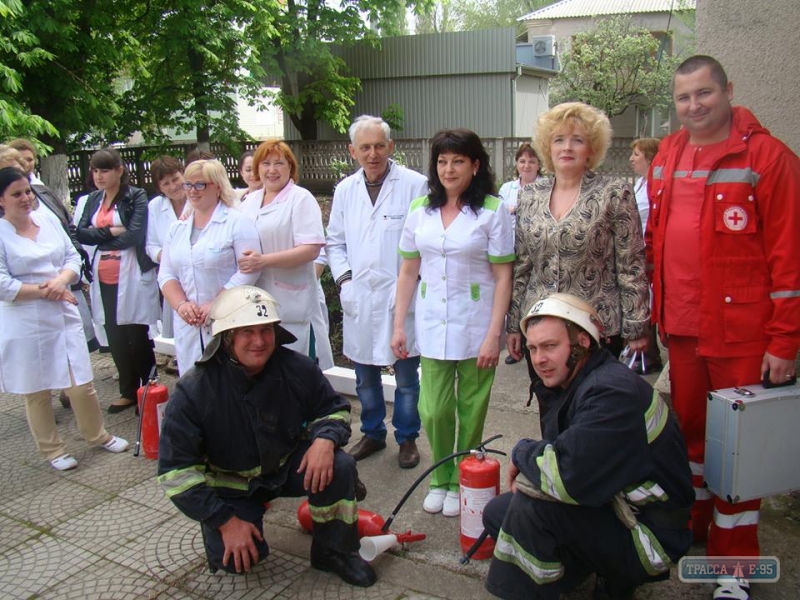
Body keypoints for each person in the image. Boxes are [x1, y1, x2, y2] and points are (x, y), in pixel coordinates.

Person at [646, 55, 800, 600]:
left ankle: (735, 569)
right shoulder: (666, 154)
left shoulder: (769, 158)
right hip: (682, 329)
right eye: (684, 97)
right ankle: (696, 530)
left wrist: (785, 342)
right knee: (689, 439)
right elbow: (655, 241)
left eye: (705, 94)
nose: (694, 106)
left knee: (736, 450)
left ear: (728, 90)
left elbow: (789, 261)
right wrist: (652, 317)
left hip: (742, 335)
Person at [157, 285, 376, 587]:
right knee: (234, 560)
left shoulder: (296, 368)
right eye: (246, 331)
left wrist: (325, 440)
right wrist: (224, 521)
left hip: (286, 467)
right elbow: (176, 472)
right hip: (231, 486)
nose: (259, 341)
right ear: (227, 337)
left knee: (340, 466)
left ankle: (332, 551)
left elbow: (335, 409)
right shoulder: (194, 391)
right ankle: (237, 524)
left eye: (265, 330)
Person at [482, 293, 693, 600]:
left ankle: (606, 577)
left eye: (550, 346)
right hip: (619, 507)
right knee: (498, 514)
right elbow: (575, 456)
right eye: (533, 348)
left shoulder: (610, 393)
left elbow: (567, 476)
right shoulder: (581, 381)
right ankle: (591, 569)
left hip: (649, 536)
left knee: (531, 509)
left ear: (581, 342)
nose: (539, 359)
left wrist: (522, 452)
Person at [391, 129, 514, 516]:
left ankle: (465, 476)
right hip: (432, 324)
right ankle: (440, 476)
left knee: (472, 408)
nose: (449, 168)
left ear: (475, 165)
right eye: (442, 161)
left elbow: (503, 277)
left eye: (458, 161)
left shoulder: (493, 211)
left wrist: (495, 334)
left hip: (478, 325)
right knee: (434, 410)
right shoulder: (420, 210)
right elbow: (409, 271)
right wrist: (398, 325)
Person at [506, 102, 650, 413]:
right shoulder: (529, 196)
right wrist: (514, 324)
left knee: (595, 414)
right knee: (551, 412)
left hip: (596, 330)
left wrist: (637, 327)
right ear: (548, 146)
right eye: (558, 139)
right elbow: (523, 266)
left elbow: (632, 264)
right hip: (541, 329)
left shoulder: (614, 193)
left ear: (592, 148)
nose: (567, 147)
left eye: (577, 139)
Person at [0, 167, 129, 471]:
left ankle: (97, 435)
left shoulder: (46, 221)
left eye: (28, 191)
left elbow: (73, 256)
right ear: (1, 200)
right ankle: (52, 449)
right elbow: (3, 285)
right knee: (38, 389)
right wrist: (48, 291)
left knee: (80, 382)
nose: (25, 198)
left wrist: (61, 282)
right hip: (25, 319)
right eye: (16, 194)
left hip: (61, 311)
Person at [327, 115, 429, 468]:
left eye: (379, 146)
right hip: (359, 297)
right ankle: (371, 433)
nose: (373, 154)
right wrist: (345, 281)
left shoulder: (416, 186)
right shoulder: (345, 190)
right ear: (352, 151)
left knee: (405, 378)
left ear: (391, 147)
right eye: (365, 147)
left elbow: (425, 242)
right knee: (365, 377)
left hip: (399, 296)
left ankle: (407, 437)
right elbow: (334, 243)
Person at [158, 159, 260, 375]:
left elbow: (249, 270)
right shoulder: (177, 229)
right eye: (188, 184)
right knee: (193, 382)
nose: (193, 191)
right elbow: (166, 274)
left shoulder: (237, 223)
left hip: (227, 318)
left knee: (228, 381)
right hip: (189, 323)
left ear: (218, 187)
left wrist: (216, 303)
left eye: (200, 185)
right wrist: (182, 305)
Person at [76, 148, 160, 413]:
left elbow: (135, 235)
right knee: (114, 336)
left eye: (105, 170)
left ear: (119, 170)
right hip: (104, 276)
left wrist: (99, 236)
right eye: (95, 170)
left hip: (132, 273)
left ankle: (147, 388)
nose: (99, 176)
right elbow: (79, 233)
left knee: (136, 334)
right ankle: (127, 390)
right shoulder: (92, 199)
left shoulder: (135, 196)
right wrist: (112, 231)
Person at [239, 140, 331, 362]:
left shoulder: (300, 199)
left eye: (279, 163)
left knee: (293, 368)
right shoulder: (249, 201)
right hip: (255, 300)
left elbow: (310, 250)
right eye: (266, 163)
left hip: (291, 303)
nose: (272, 170)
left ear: (290, 167)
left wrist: (263, 261)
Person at [498, 142, 541, 365]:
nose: (526, 165)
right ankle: (516, 346)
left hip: (536, 251)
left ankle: (533, 343)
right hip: (510, 249)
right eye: (522, 161)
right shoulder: (507, 189)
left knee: (532, 297)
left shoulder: (546, 187)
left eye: (532, 161)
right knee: (512, 296)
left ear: (539, 164)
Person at [628, 137, 664, 374]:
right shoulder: (640, 183)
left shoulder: (656, 185)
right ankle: (643, 355)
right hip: (636, 251)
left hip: (648, 253)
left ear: (650, 158)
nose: (631, 159)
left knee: (646, 302)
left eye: (637, 154)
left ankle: (649, 356)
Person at [146, 156, 187, 340]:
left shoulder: (198, 198)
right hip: (172, 277)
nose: (173, 186)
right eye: (165, 183)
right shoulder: (155, 207)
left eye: (176, 179)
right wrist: (167, 257)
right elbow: (151, 245)